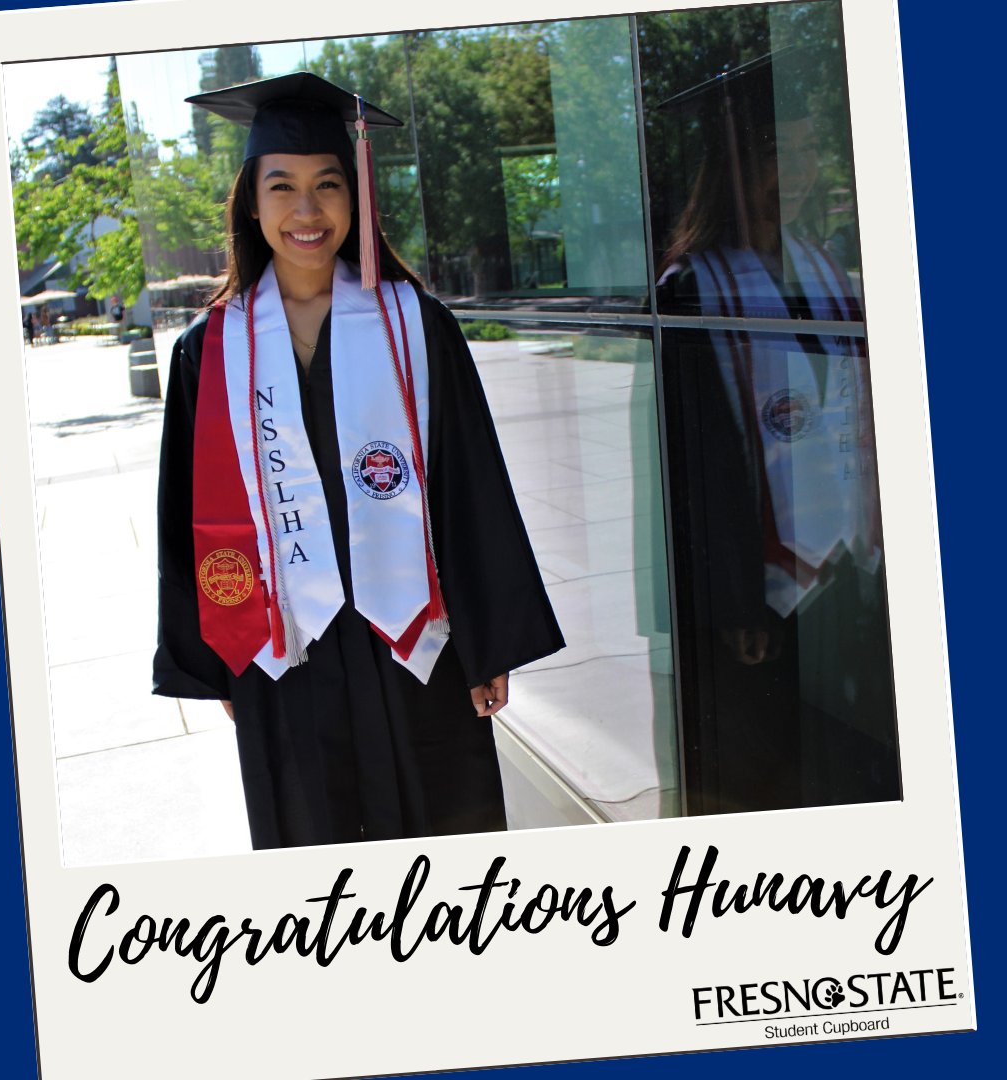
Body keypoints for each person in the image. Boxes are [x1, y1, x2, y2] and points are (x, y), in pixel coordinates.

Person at [152, 72, 564, 848]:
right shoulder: (208, 352)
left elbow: (471, 486)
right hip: (285, 651)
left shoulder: (418, 326)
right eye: (282, 187)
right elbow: (188, 514)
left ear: (358, 196)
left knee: (443, 849)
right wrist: (215, 656)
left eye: (328, 185)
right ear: (251, 200)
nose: (306, 211)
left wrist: (489, 638)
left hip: (412, 642)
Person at [652, 49, 900, 813]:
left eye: (808, 149)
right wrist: (732, 601)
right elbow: (699, 473)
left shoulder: (824, 273)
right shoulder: (692, 290)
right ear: (734, 168)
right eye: (778, 155)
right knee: (768, 772)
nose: (799, 171)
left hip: (847, 578)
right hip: (765, 592)